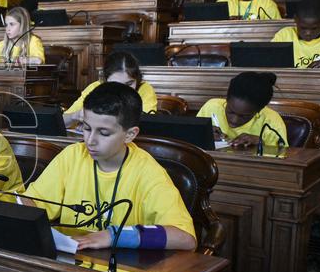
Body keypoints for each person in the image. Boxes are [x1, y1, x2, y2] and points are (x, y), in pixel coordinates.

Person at [23, 82, 196, 250]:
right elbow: (34, 203)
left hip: (122, 269)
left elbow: (185, 237)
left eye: (103, 133)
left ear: (130, 135)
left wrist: (114, 236)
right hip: (73, 261)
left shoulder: (148, 172)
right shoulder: (73, 155)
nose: (90, 141)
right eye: (86, 128)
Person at [64, 51, 157, 125]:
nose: (122, 90)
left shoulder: (144, 89)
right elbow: (62, 121)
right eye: (115, 84)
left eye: (129, 84)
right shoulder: (95, 87)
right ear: (105, 79)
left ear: (137, 79)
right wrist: (75, 116)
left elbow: (145, 123)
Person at [197, 72, 286, 148]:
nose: (234, 120)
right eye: (230, 111)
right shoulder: (211, 107)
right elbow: (190, 142)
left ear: (259, 110)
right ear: (226, 99)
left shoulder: (272, 122)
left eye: (244, 116)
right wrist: (202, 135)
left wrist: (261, 144)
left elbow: (282, 159)